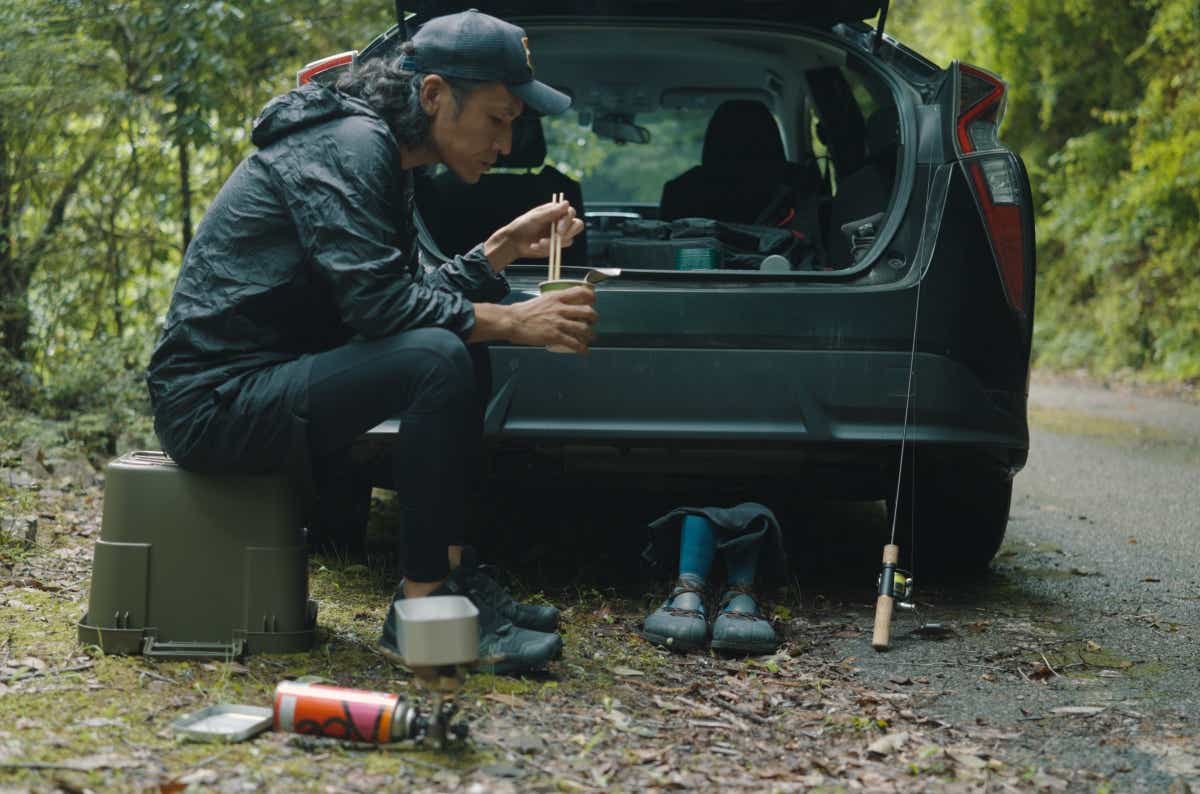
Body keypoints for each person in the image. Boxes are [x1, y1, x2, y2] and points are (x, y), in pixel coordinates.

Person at [146, 10, 595, 674]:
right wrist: (513, 319)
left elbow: (406, 293)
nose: (505, 145)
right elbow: (382, 308)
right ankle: (425, 617)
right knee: (442, 351)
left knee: (455, 342)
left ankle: (447, 571)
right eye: (497, 120)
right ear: (436, 94)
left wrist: (498, 252)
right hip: (214, 403)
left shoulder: (384, 152)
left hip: (274, 378)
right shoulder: (350, 145)